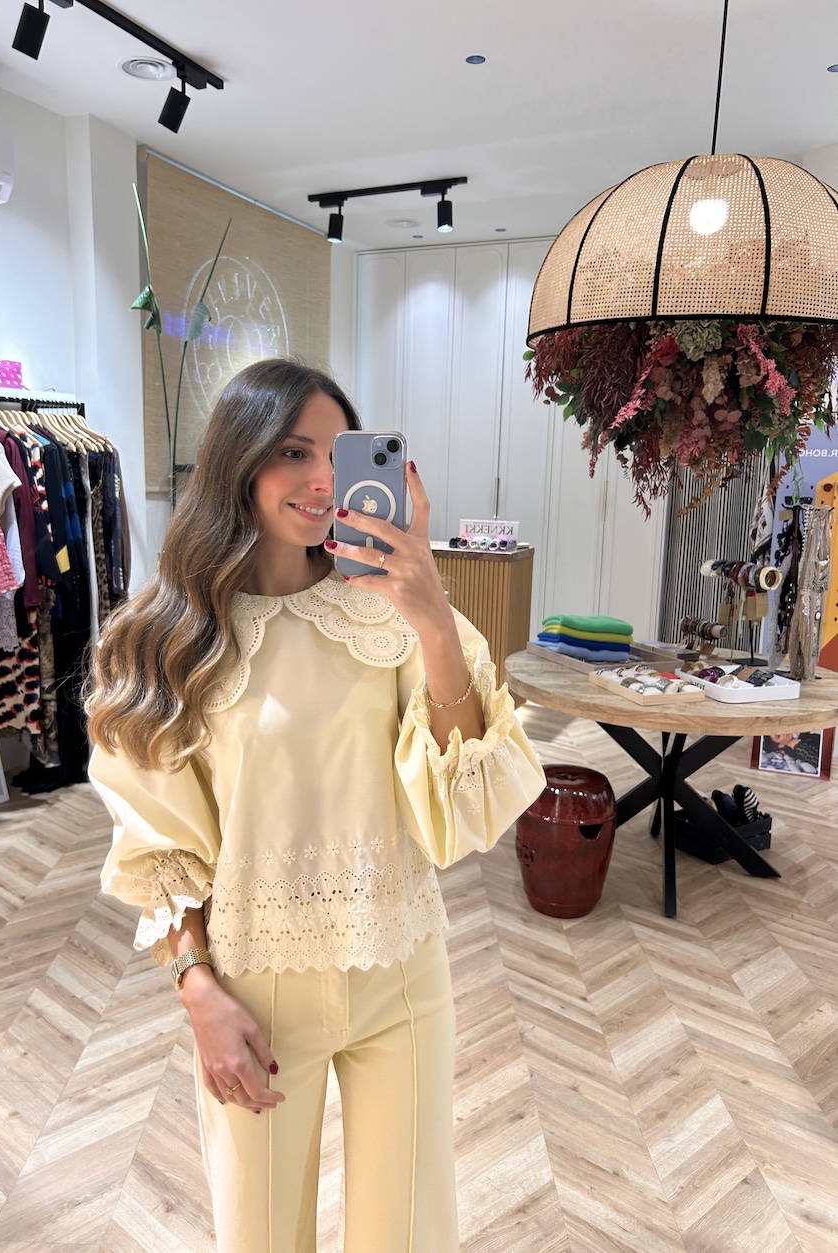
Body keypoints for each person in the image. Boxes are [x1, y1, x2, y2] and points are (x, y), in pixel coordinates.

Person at [84, 358, 545, 1253]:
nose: (325, 479)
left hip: (400, 970)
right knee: (257, 1236)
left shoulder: (387, 616)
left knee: (408, 1233)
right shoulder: (174, 640)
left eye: (341, 454)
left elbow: (464, 797)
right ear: (240, 459)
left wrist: (432, 616)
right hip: (256, 990)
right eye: (294, 451)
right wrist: (197, 988)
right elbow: (161, 845)